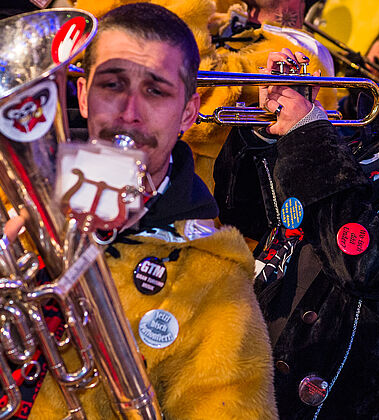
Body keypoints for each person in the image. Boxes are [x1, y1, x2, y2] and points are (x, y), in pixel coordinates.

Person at [11, 4, 277, 419]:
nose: (129, 113)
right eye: (112, 84)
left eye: (155, 91)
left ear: (188, 112)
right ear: (82, 95)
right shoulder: (19, 203)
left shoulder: (215, 277)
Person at [214, 38, 379, 418]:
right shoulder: (364, 135)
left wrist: (308, 137)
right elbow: (246, 213)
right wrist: (268, 130)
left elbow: (366, 262)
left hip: (333, 397)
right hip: (250, 359)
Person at [72, 0, 336, 192]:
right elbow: (87, 43)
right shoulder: (221, 24)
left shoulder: (301, 48)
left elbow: (200, 91)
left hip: (210, 212)